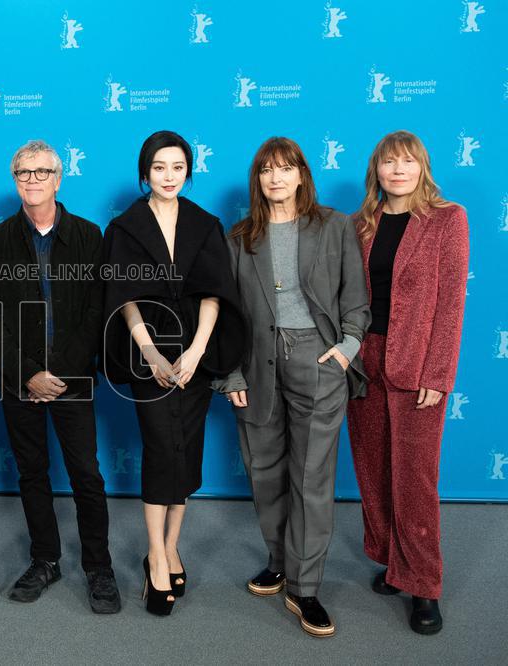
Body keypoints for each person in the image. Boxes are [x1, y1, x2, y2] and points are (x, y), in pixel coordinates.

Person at [213, 137, 370, 637]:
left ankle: (305, 588)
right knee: (264, 470)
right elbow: (228, 316)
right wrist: (229, 372)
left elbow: (357, 300)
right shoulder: (240, 237)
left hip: (316, 359)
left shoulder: (335, 226)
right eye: (266, 171)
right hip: (255, 364)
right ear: (257, 180)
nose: (276, 178)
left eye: (286, 169)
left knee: (311, 477)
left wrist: (345, 350)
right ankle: (279, 561)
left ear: (302, 175)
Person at [101, 130, 245, 616]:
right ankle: (155, 555)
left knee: (187, 451)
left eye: (177, 167)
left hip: (195, 358)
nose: (168, 176)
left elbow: (214, 292)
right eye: (159, 167)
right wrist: (153, 356)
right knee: (162, 448)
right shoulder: (124, 227)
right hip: (150, 356)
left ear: (188, 171)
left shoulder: (206, 223)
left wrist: (197, 352)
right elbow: (123, 299)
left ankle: (172, 544)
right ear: (146, 171)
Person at [0, 140, 119, 613]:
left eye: (42, 172)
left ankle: (98, 567)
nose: (32, 180)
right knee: (32, 473)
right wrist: (28, 374)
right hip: (19, 382)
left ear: (59, 179)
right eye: (23, 173)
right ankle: (45, 559)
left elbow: (97, 312)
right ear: (14, 180)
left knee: (86, 474)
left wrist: (57, 373)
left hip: (73, 381)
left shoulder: (88, 235)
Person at [347, 130, 469, 635]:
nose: (397, 170)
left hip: (417, 364)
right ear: (376, 170)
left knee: (415, 478)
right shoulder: (361, 224)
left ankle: (424, 585)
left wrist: (438, 373)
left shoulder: (447, 219)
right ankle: (393, 563)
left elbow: (450, 303)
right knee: (374, 469)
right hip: (364, 360)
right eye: (388, 162)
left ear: (422, 167)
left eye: (407, 161)